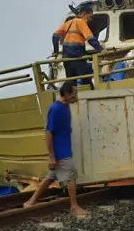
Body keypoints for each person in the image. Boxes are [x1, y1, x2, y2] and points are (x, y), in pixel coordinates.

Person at [24, 81, 88, 216]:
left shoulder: (65, 107)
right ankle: (74, 206)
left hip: (63, 150)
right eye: (74, 93)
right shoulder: (56, 109)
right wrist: (51, 156)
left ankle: (30, 202)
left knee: (49, 178)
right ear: (65, 94)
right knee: (71, 177)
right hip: (61, 152)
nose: (76, 96)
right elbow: (48, 132)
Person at [52, 2, 103, 88]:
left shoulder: (68, 23)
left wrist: (56, 51)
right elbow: (90, 39)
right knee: (87, 81)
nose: (90, 19)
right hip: (77, 58)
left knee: (71, 83)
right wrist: (101, 49)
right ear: (84, 14)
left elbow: (55, 36)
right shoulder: (81, 22)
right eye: (89, 16)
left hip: (67, 59)